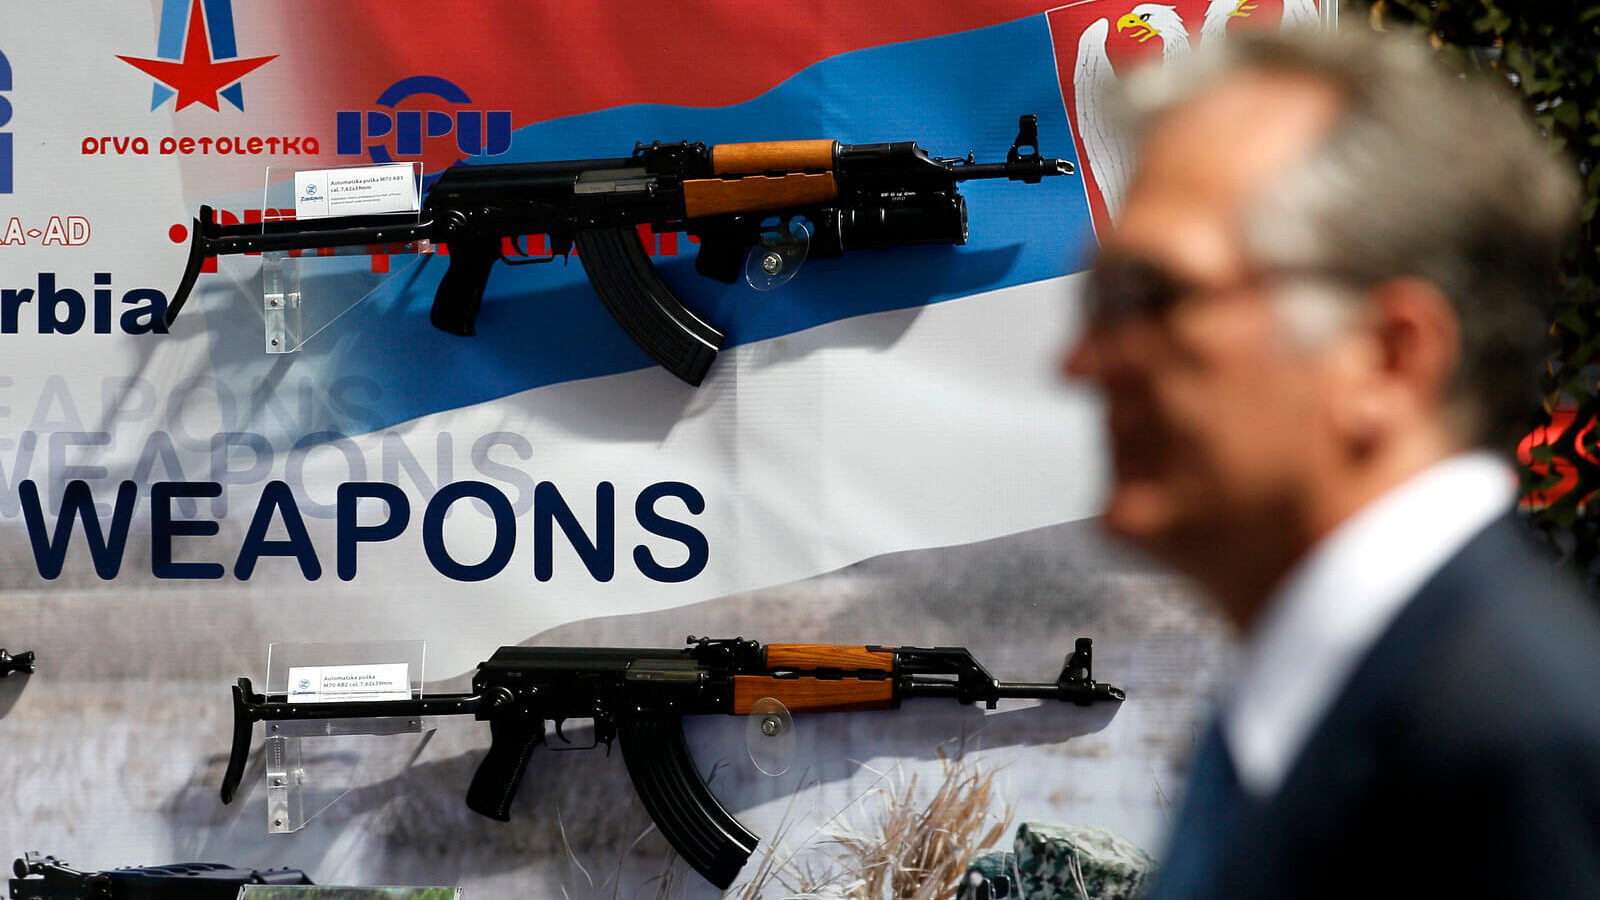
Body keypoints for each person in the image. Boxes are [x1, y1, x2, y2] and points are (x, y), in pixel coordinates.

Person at [1060, 29, 1600, 898]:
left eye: (1154, 298)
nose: (1081, 364)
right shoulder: (1333, 696)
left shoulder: (1510, 739)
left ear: (1388, 356)